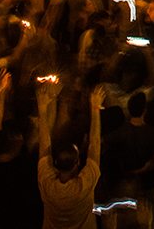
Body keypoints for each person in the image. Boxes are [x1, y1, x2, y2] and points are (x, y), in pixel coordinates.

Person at [37, 82, 104, 229]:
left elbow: (44, 146)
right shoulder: (84, 184)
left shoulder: (46, 182)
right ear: (78, 162)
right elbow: (96, 143)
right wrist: (95, 107)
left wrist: (42, 109)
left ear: (54, 162)